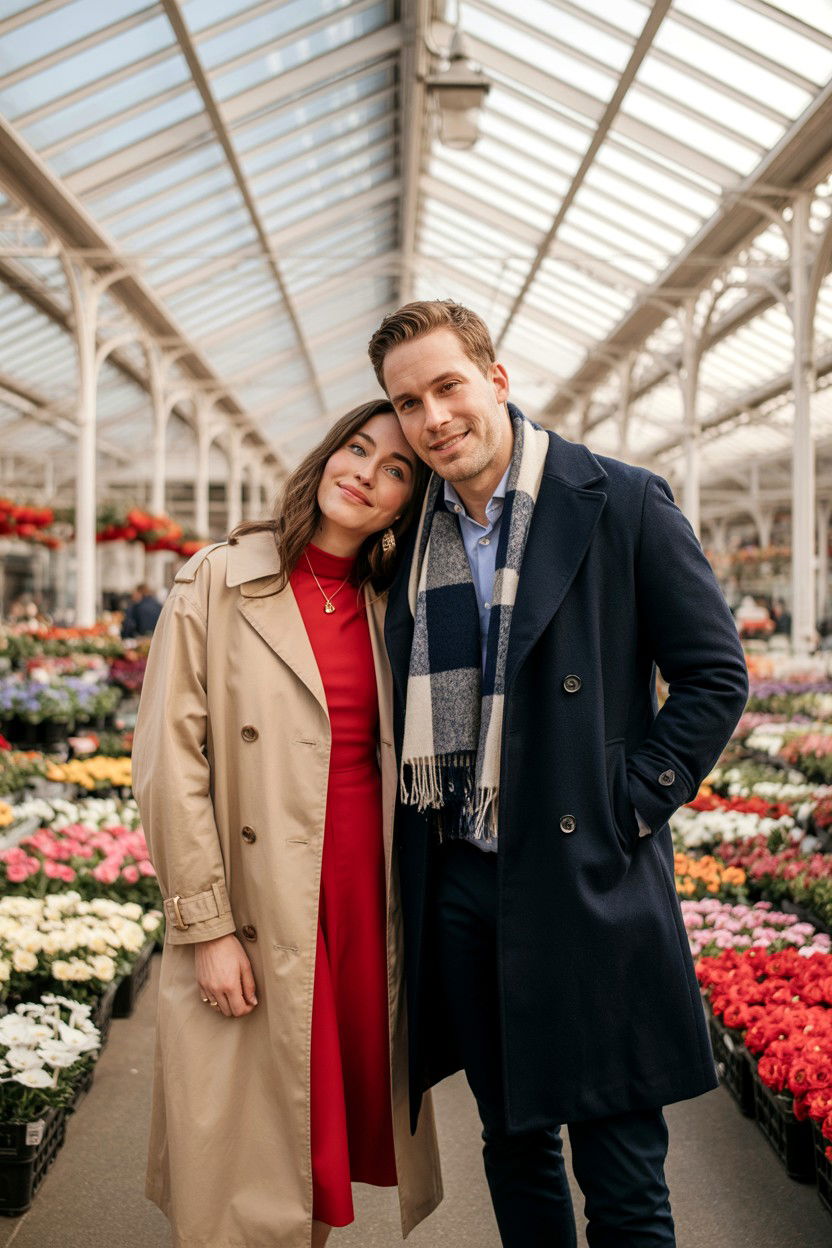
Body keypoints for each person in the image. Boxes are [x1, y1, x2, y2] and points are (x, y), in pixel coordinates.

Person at [367, 301, 749, 1247]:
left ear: (495, 379)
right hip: (464, 881)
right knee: (514, 1144)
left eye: (448, 386)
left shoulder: (620, 500)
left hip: (587, 873)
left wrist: (630, 805)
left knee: (621, 1170)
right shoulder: (410, 535)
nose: (433, 419)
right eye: (409, 403)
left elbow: (714, 674)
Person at [132, 399, 442, 1248]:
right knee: (246, 1157)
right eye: (357, 449)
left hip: (360, 896)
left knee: (315, 1143)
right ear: (326, 455)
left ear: (406, 505)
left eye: (395, 471)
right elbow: (169, 764)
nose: (366, 475)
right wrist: (207, 927)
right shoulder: (218, 578)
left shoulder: (394, 604)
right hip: (259, 897)